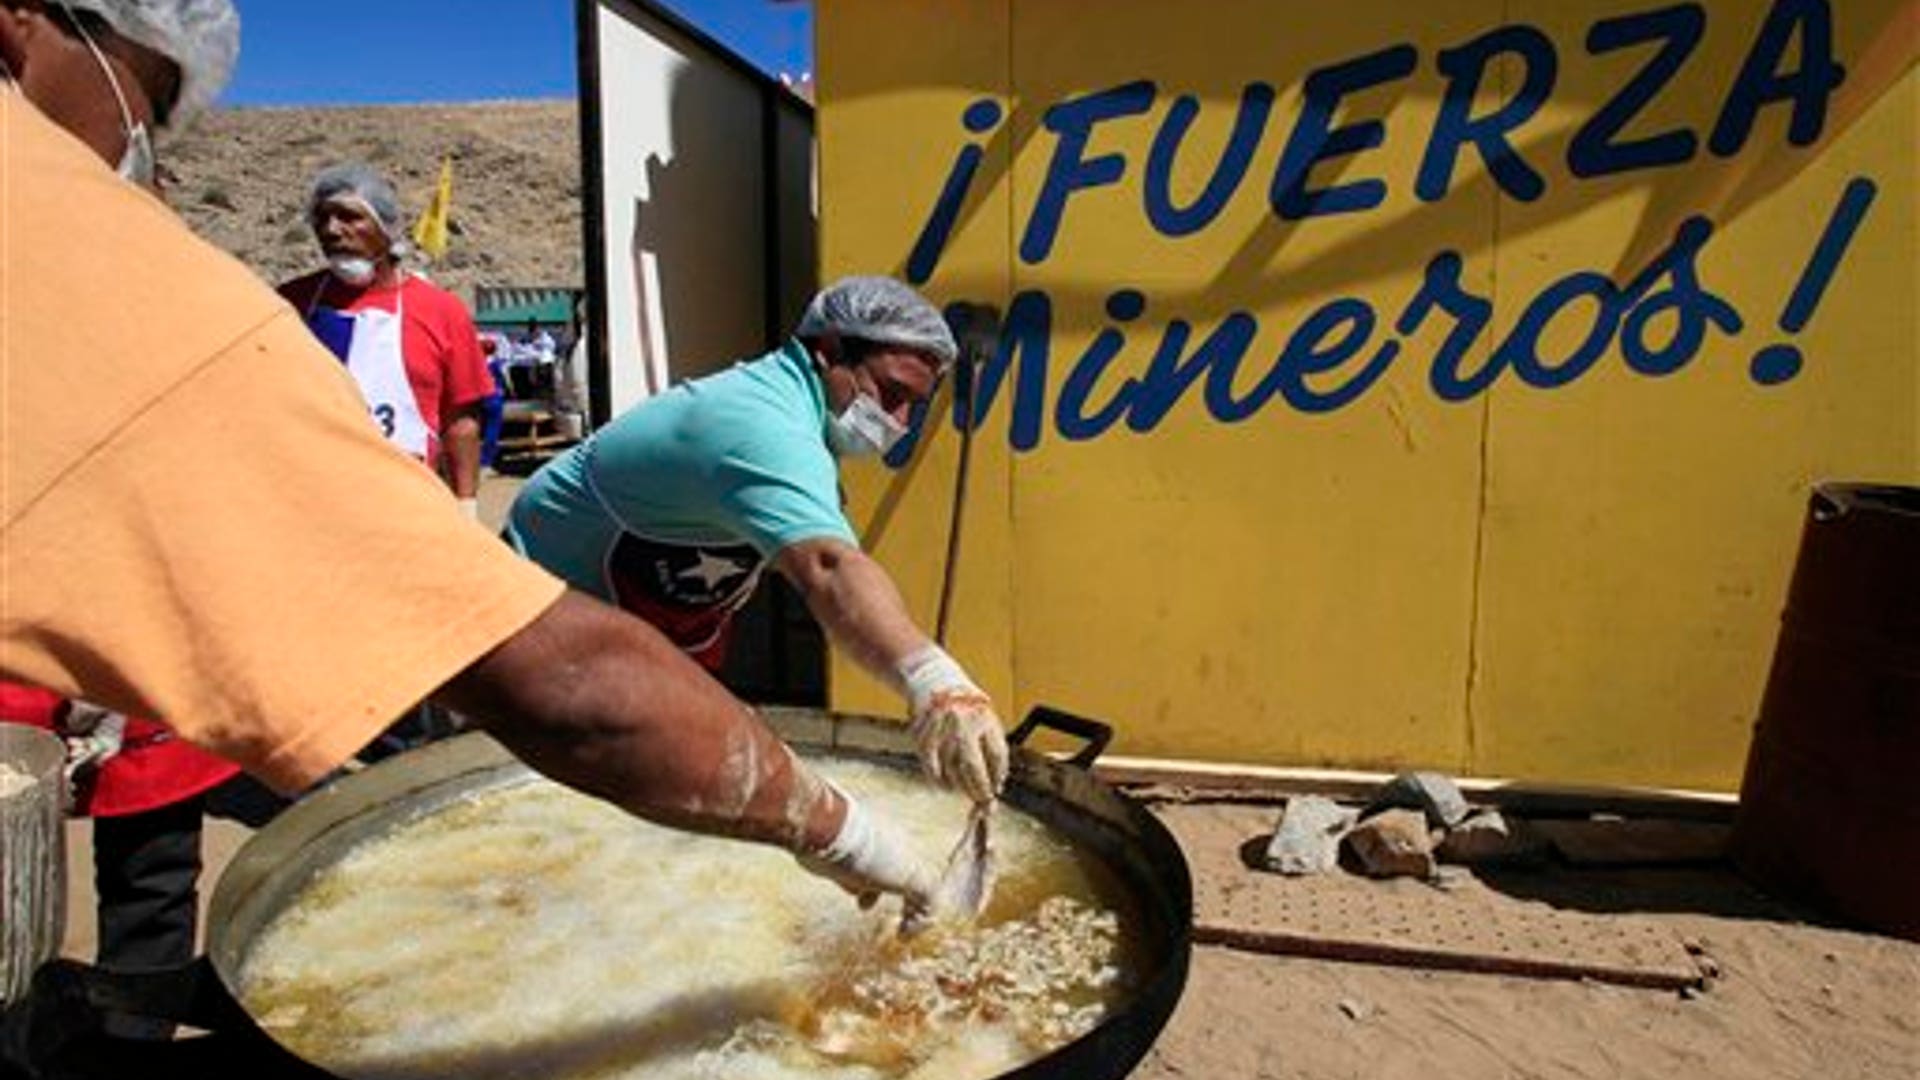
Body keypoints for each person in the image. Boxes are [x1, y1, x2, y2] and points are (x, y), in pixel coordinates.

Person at [0, 0, 935, 954]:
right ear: (25, 19)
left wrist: (450, 499)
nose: (141, 148)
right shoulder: (150, 286)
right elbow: (593, 672)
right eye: (148, 102)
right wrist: (862, 815)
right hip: (393, 577)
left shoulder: (431, 312)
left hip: (383, 549)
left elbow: (462, 411)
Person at [506, 276, 1011, 805]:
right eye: (891, 393)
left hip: (654, 638)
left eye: (914, 405)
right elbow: (830, 567)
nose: (899, 421)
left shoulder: (803, 425)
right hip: (547, 632)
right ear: (828, 350)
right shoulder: (758, 427)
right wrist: (935, 682)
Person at [277, 162, 492, 521]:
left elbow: (461, 423)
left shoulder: (441, 310)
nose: (331, 229)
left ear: (385, 227)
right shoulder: (290, 304)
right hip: (311, 503)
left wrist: (464, 506)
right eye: (322, 218)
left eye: (349, 217)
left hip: (408, 505)